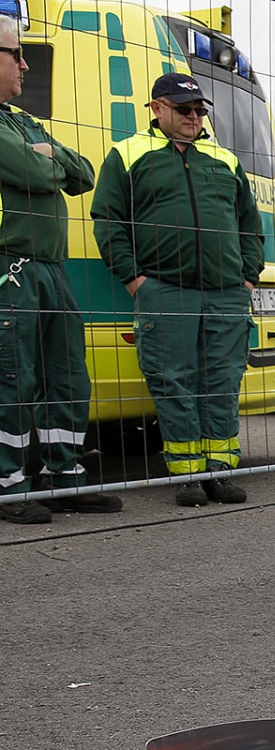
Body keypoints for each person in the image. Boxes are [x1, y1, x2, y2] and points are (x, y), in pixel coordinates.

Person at [92, 73, 263, 508]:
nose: (194, 117)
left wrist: (248, 277)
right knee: (174, 382)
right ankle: (187, 474)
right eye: (184, 109)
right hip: (165, 289)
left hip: (226, 291)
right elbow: (108, 221)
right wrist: (136, 280)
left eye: (199, 110)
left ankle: (219, 470)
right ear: (157, 108)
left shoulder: (223, 158)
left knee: (223, 381)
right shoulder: (128, 154)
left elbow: (250, 224)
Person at [0, 18, 117, 526]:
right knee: (12, 377)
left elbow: (83, 172)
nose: (26, 64)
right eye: (16, 53)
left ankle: (62, 476)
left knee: (66, 373)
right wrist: (50, 163)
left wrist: (52, 155)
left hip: (50, 267)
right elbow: (33, 172)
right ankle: (8, 485)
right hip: (11, 268)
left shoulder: (21, 122)